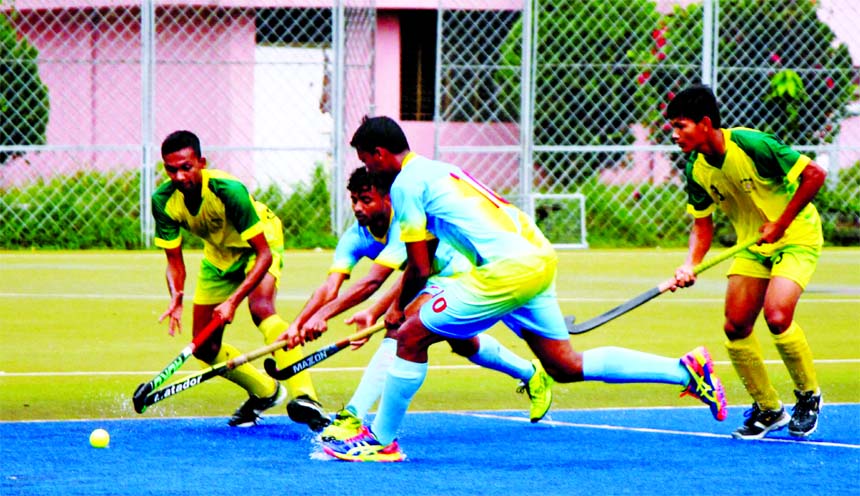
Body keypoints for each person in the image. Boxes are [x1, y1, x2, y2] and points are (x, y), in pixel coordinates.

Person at [296, 116, 728, 462]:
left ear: (379, 153)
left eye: (368, 162)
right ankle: (685, 370)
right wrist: (396, 305)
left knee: (409, 335)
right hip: (536, 256)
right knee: (564, 365)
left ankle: (381, 440)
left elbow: (420, 267)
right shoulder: (436, 169)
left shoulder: (406, 184)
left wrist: (395, 312)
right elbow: (423, 251)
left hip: (506, 268)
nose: (368, 171)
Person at [280, 166, 554, 445]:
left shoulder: (403, 225)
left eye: (366, 199)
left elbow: (379, 281)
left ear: (387, 199)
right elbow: (331, 285)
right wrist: (299, 324)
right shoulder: (355, 236)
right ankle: (531, 373)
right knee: (463, 344)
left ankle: (352, 416)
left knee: (400, 331)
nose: (358, 208)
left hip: (455, 273)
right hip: (422, 279)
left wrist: (374, 311)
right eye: (354, 200)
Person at [666, 85, 825, 440]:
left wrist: (781, 223)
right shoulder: (696, 169)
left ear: (705, 124)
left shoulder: (752, 144)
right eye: (672, 128)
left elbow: (815, 175)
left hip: (796, 235)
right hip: (753, 246)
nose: (675, 135)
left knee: (777, 315)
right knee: (735, 327)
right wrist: (689, 264)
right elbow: (702, 226)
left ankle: (808, 397)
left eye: (681, 126)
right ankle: (769, 409)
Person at [152, 130, 329, 431]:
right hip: (219, 255)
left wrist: (233, 301)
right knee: (204, 348)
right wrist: (177, 296)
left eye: (186, 167)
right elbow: (174, 262)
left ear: (201, 163)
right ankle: (265, 392)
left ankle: (306, 397)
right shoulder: (164, 201)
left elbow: (263, 255)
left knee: (260, 307)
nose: (179, 176)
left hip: (260, 243)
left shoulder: (227, 190)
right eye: (171, 169)